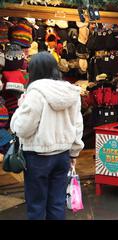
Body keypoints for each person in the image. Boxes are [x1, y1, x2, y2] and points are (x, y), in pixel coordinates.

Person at [10, 52, 84, 220]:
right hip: (62, 156)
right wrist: (74, 153)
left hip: (37, 157)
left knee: (36, 206)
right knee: (57, 204)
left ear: (34, 70)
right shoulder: (71, 92)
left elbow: (22, 129)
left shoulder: (35, 93)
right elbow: (77, 125)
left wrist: (20, 107)